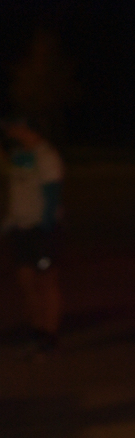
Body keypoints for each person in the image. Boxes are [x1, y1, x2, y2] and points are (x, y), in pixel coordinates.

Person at [1, 120, 65, 355]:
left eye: (13, 127)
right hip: (21, 228)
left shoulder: (46, 155)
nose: (10, 132)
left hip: (42, 228)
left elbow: (52, 192)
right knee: (26, 282)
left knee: (46, 282)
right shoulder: (19, 155)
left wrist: (46, 222)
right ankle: (37, 329)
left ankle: (50, 334)